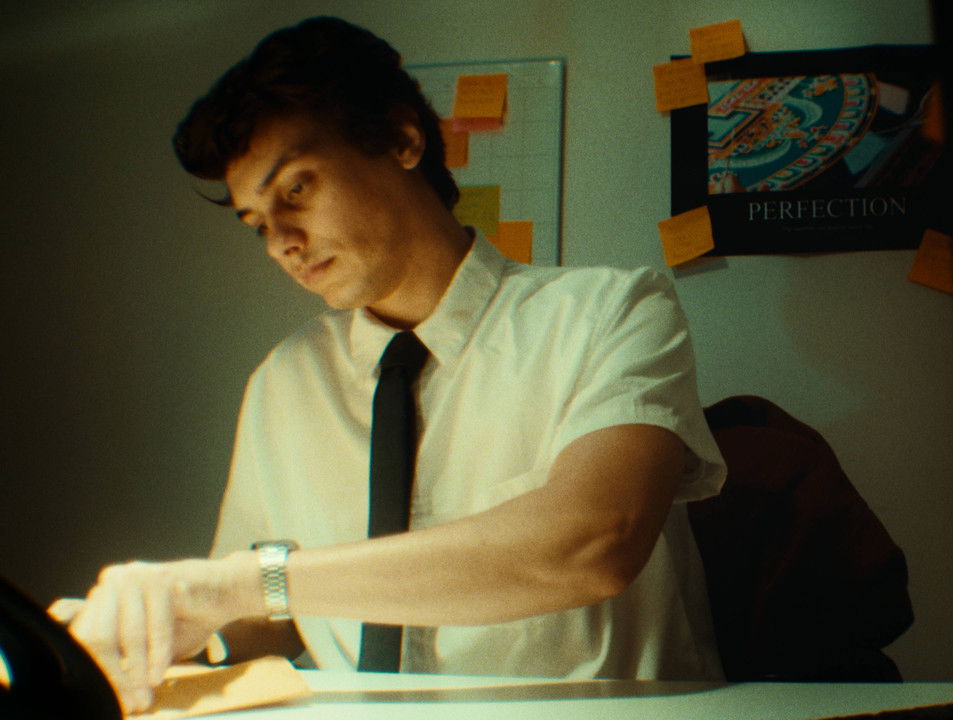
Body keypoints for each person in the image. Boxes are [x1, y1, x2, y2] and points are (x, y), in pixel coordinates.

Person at [55, 16, 725, 714]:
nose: (280, 242)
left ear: (403, 140)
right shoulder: (285, 381)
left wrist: (251, 580)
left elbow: (594, 541)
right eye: (257, 223)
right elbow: (260, 620)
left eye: (296, 191)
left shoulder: (611, 310)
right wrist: (162, 626)